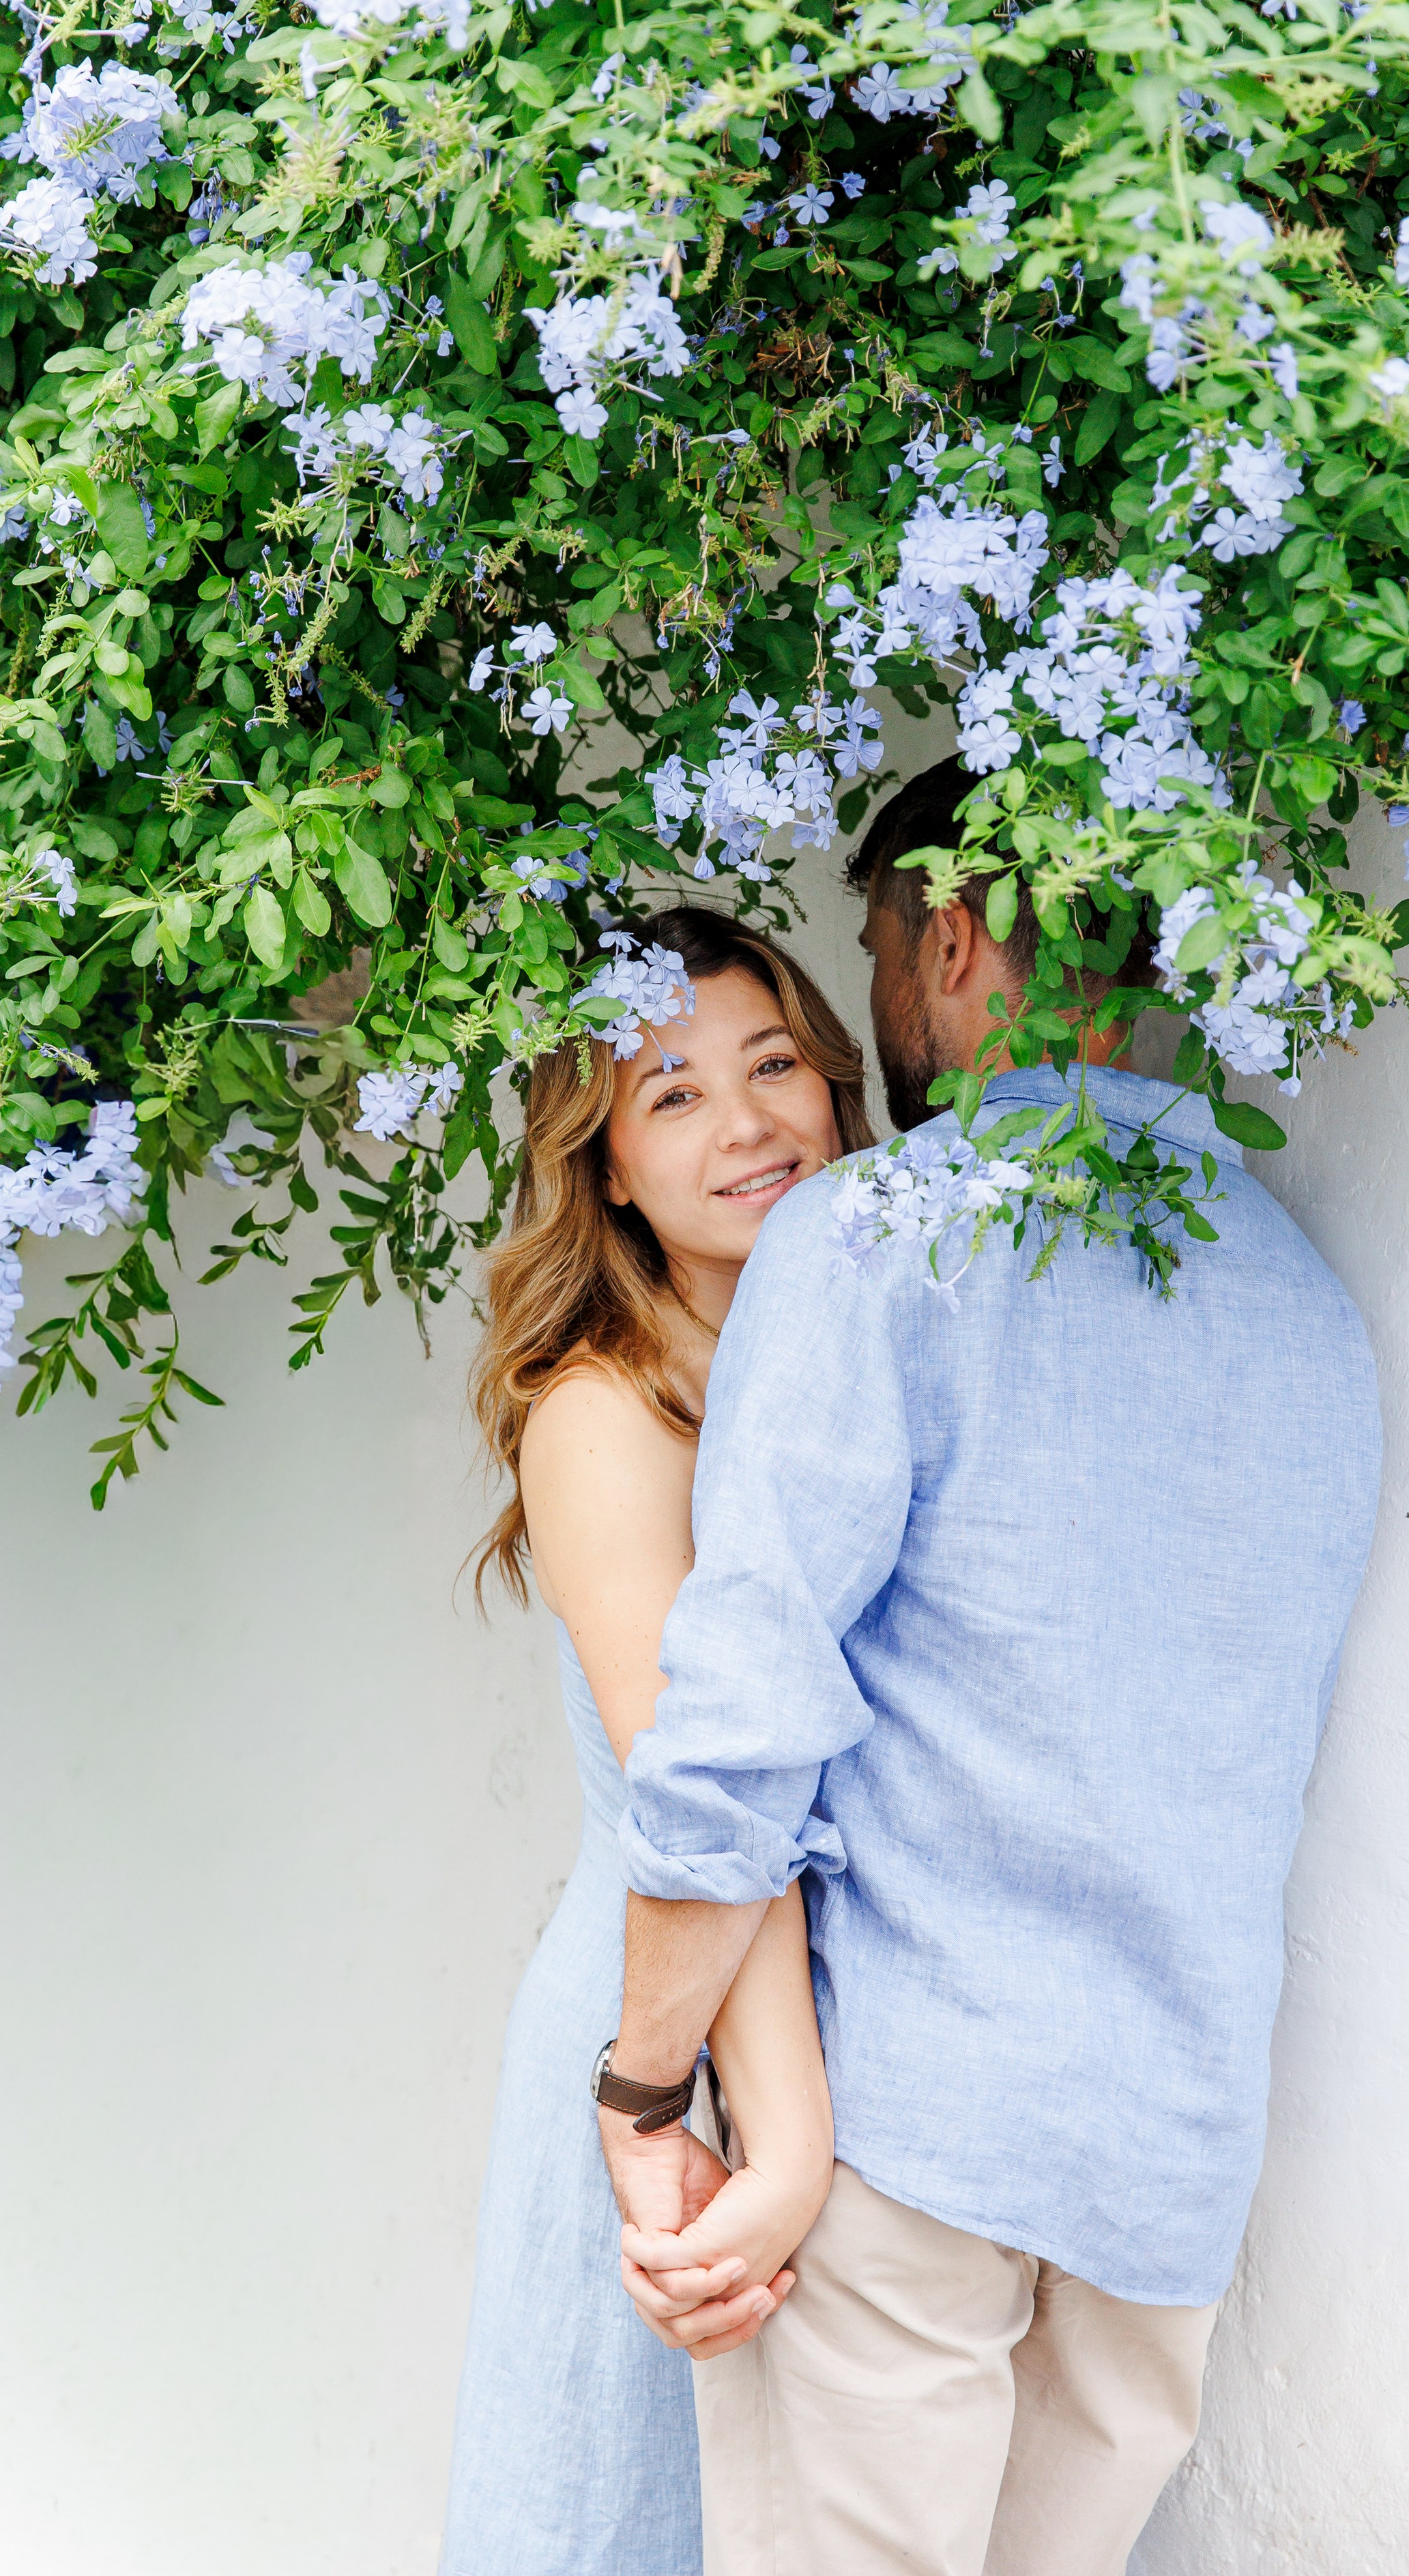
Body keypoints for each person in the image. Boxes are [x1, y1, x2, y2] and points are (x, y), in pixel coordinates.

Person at [597, 759, 1385, 2576]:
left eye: (876, 956)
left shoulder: (881, 1240)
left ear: (952, 941)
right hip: (1167, 2161)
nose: (877, 1017)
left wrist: (642, 2089)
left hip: (904, 2144)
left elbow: (741, 1721)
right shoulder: (1309, 1309)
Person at [439, 907, 872, 2576]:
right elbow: (712, 1804)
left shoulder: (846, 1364)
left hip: (824, 2051)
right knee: (625, 2520)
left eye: (773, 1066)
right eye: (672, 1093)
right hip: (676, 2035)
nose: (748, 1122)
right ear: (605, 1166)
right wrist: (771, 2130)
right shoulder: (605, 1411)